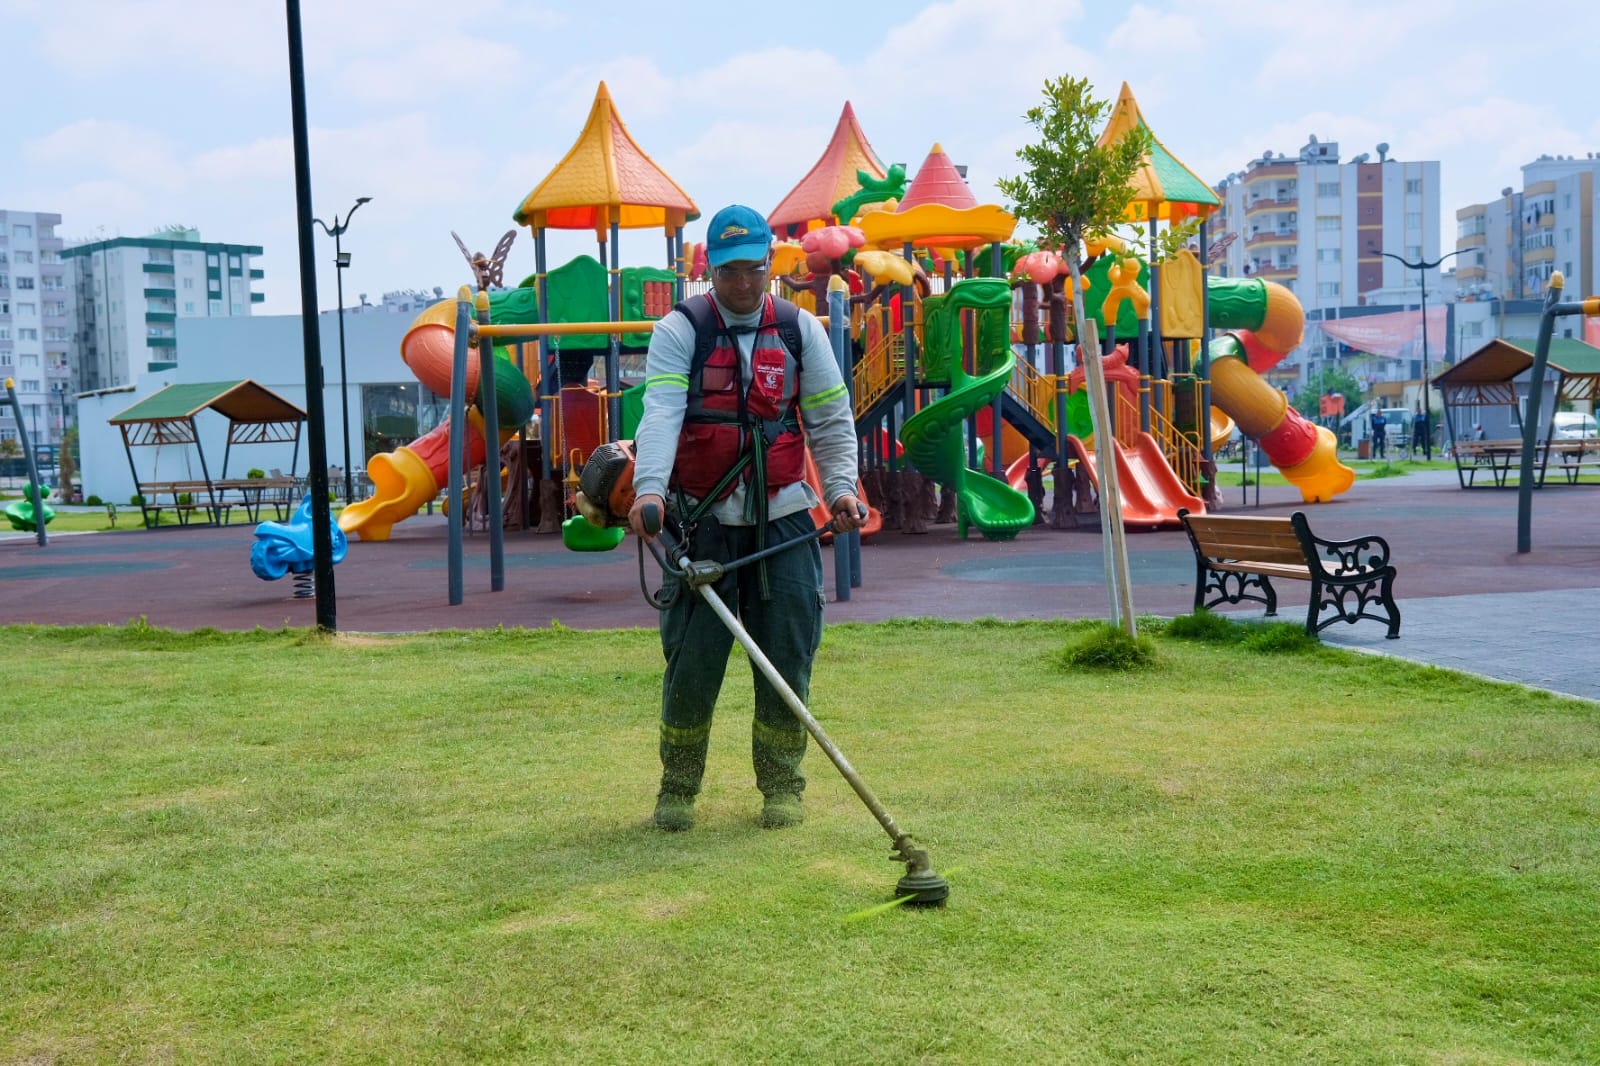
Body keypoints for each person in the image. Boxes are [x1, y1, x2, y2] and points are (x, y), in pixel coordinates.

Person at [627, 204, 866, 833]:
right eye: (731, 272)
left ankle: (782, 787)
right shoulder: (680, 330)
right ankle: (677, 790)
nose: (744, 283)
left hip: (785, 518)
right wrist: (649, 490)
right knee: (692, 663)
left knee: (789, 654)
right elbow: (660, 416)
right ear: (711, 271)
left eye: (755, 270)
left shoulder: (799, 331)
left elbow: (832, 422)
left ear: (770, 266)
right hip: (697, 523)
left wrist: (841, 489)